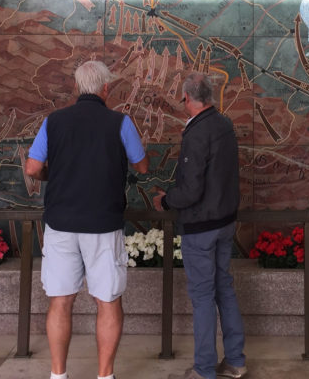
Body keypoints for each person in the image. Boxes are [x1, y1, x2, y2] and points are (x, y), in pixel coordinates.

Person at [25, 60, 148, 379]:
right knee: (107, 301)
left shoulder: (54, 121)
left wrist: (60, 171)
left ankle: (57, 374)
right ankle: (105, 375)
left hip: (61, 224)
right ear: (106, 88)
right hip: (103, 225)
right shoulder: (120, 122)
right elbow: (143, 166)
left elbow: (32, 168)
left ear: (78, 87)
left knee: (60, 302)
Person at [153, 72, 247, 379]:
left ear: (187, 99)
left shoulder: (196, 133)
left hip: (201, 227)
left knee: (204, 296)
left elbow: (192, 190)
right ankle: (235, 361)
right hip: (224, 223)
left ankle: (204, 370)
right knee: (224, 289)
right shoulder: (225, 125)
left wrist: (167, 201)